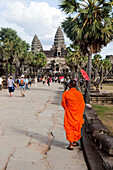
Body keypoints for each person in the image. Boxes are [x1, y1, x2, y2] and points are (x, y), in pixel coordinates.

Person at [61, 80, 85, 150]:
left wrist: (67, 109)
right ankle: (74, 141)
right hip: (77, 115)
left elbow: (63, 104)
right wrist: (78, 111)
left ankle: (71, 144)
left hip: (69, 114)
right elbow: (83, 104)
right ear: (76, 85)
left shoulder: (66, 94)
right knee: (75, 128)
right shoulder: (79, 94)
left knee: (70, 128)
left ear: (69, 85)